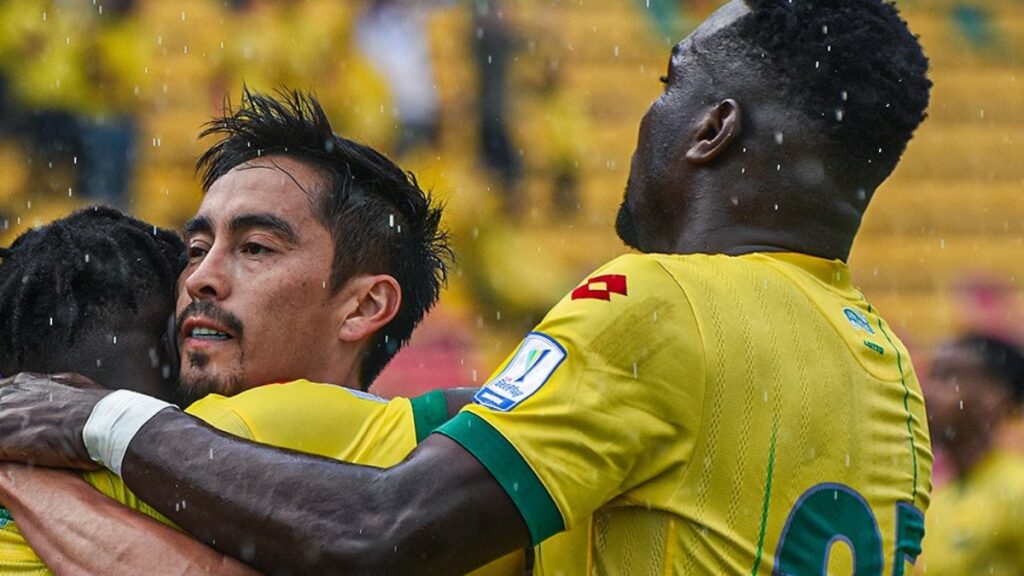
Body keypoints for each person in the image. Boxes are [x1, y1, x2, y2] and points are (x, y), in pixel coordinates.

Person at [0, 0, 933, 573]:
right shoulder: (886, 373)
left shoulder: (659, 304)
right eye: (197, 245)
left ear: (713, 129)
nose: (199, 278)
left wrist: (97, 423)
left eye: (667, 82)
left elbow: (381, 528)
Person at [0, 92, 522, 576]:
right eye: (198, 247)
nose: (199, 276)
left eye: (256, 248)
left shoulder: (206, 431)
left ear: (364, 305)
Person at [915, 334, 1024, 575]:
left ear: (996, 399)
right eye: (931, 376)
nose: (928, 393)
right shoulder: (935, 498)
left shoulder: (1018, 490)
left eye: (948, 377)